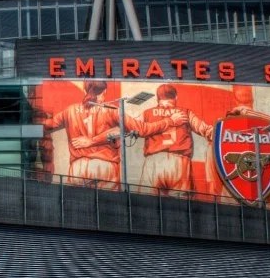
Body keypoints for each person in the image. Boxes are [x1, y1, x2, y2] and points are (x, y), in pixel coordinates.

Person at [40, 81, 174, 190]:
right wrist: (170, 121)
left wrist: (31, 120)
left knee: (76, 209)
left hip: (78, 167)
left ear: (85, 91)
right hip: (105, 166)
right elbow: (143, 129)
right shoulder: (111, 110)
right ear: (104, 91)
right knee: (108, 208)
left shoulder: (69, 111)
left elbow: (47, 125)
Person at [137, 83, 214, 196]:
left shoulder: (146, 113)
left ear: (158, 99)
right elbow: (206, 130)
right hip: (179, 163)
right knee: (181, 205)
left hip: (153, 162)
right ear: (176, 97)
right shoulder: (185, 113)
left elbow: (133, 129)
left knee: (146, 202)